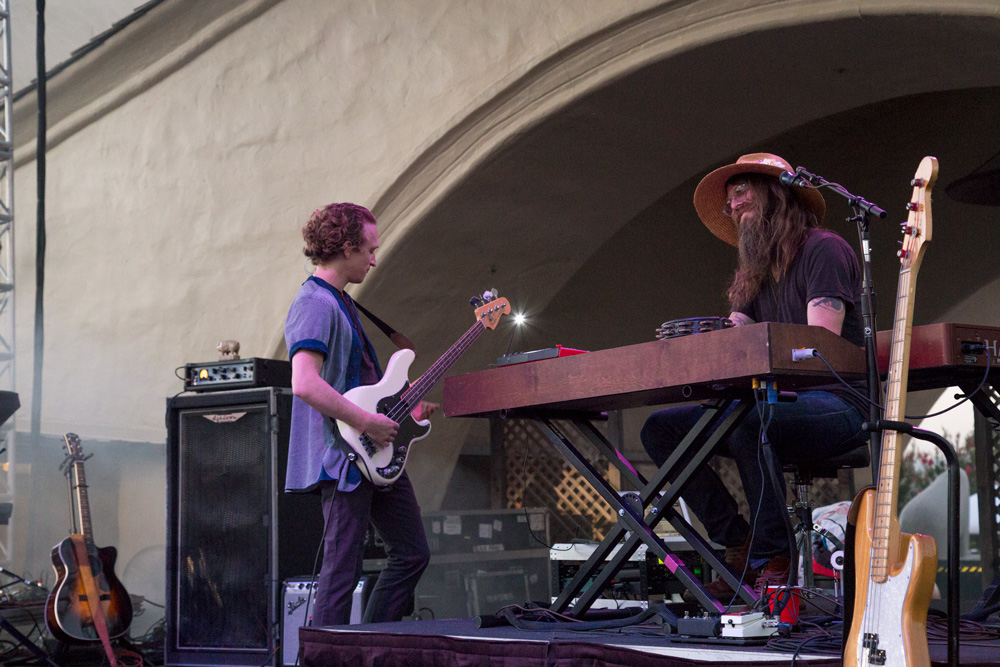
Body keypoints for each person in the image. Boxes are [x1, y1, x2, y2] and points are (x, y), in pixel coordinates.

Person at [641, 153, 869, 600]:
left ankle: (772, 557)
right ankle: (739, 543)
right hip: (770, 405)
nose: (732, 205)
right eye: (729, 201)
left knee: (750, 418)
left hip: (839, 404)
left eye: (741, 192)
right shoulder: (753, 274)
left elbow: (818, 349)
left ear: (776, 193)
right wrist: (701, 343)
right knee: (660, 429)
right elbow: (736, 337)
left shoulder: (824, 250)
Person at [284, 202, 434, 626]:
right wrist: (367, 422)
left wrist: (399, 410)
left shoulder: (343, 302)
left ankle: (368, 644)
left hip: (374, 450)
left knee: (412, 553)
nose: (374, 259)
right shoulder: (315, 303)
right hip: (344, 453)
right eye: (370, 249)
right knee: (341, 572)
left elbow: (359, 383)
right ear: (347, 248)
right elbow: (305, 383)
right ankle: (325, 654)